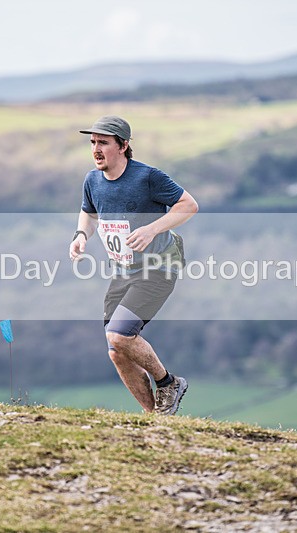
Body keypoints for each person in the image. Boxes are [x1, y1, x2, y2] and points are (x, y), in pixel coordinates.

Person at [69, 116, 198, 414]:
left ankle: (168, 383)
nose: (96, 149)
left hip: (158, 266)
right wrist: (80, 235)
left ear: (123, 145)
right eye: (93, 142)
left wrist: (152, 229)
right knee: (117, 352)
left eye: (103, 143)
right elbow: (89, 212)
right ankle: (154, 417)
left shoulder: (148, 177)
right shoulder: (92, 180)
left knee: (120, 335)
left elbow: (189, 205)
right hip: (124, 270)